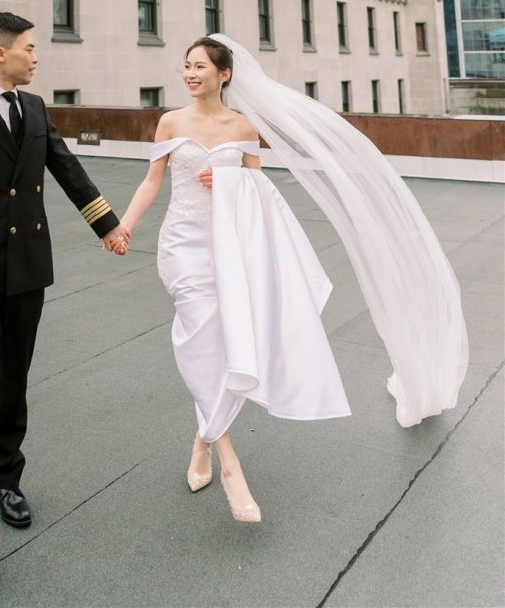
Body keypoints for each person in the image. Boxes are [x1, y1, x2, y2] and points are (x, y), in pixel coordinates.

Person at [116, 35, 468, 526]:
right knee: (196, 341)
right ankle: (232, 468)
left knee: (226, 346)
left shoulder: (244, 126)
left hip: (231, 250)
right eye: (186, 66)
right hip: (183, 247)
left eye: (200, 66)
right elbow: (152, 180)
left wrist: (235, 180)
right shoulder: (169, 121)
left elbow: (261, 189)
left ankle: (204, 438)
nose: (190, 73)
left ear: (225, 75)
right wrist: (125, 225)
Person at [0, 12, 127, 574]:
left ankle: (5, 480)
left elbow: (65, 166)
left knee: (13, 380)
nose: (37, 57)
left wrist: (106, 224)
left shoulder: (35, 109)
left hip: (28, 272)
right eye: (30, 48)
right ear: (0, 54)